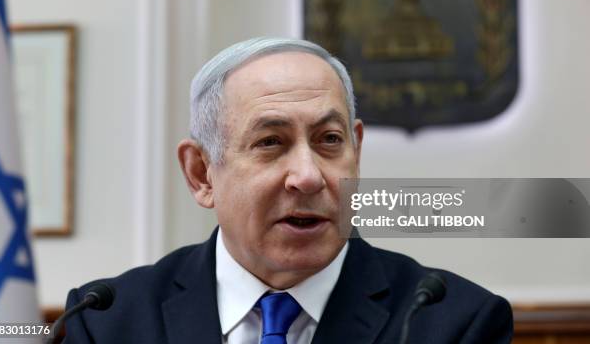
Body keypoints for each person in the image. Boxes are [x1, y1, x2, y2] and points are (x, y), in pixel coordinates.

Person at [63, 37, 513, 343]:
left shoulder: (451, 322)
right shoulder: (107, 322)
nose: (309, 176)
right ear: (202, 174)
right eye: (271, 143)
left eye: (330, 141)